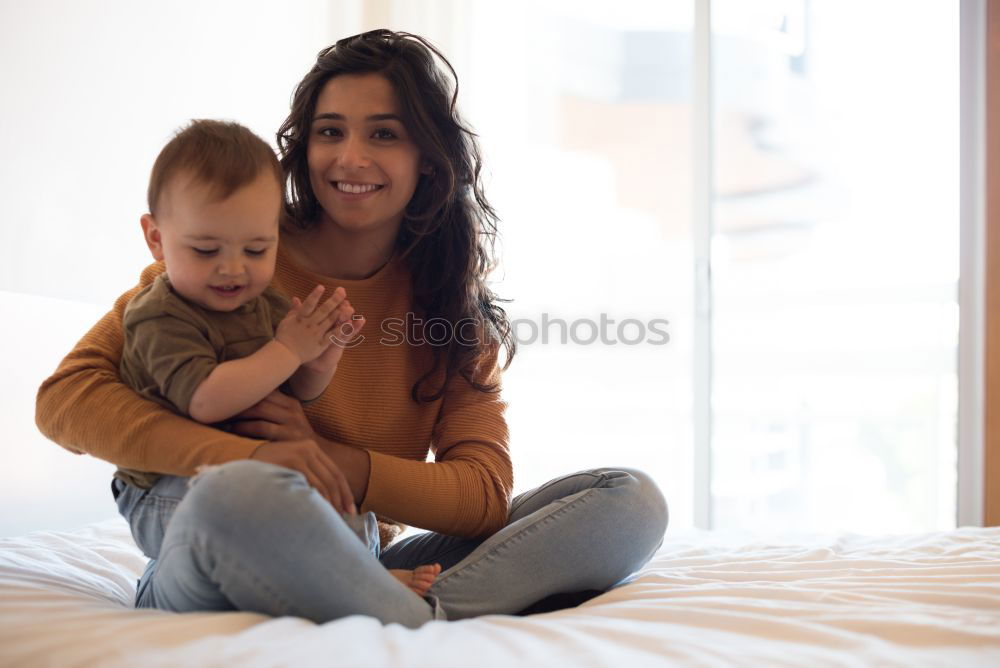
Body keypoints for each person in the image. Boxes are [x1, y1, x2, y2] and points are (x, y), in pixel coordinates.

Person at [35, 29, 668, 627]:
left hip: (359, 557)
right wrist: (260, 457)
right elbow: (66, 401)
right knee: (238, 496)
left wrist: (328, 460)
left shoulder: (452, 313)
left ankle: (414, 611)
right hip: (223, 547)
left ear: (427, 158)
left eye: (384, 134)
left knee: (628, 502)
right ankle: (415, 614)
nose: (350, 157)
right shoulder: (237, 254)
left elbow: (481, 496)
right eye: (329, 131)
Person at [114, 118, 440, 597]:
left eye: (256, 248)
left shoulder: (261, 302)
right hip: (168, 489)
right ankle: (357, 585)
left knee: (340, 505)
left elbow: (297, 392)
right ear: (156, 239)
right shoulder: (159, 315)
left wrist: (321, 357)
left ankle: (354, 573)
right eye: (206, 250)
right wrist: (288, 348)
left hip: (256, 478)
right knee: (243, 509)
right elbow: (205, 401)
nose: (233, 268)